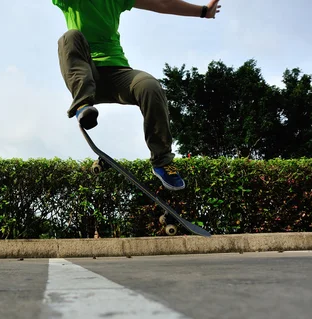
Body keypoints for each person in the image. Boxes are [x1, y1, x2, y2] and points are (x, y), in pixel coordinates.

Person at [53, 0, 221, 191]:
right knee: (70, 37)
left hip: (117, 73)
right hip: (85, 73)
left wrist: (203, 11)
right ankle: (82, 105)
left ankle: (162, 161)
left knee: (149, 86)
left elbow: (163, 4)